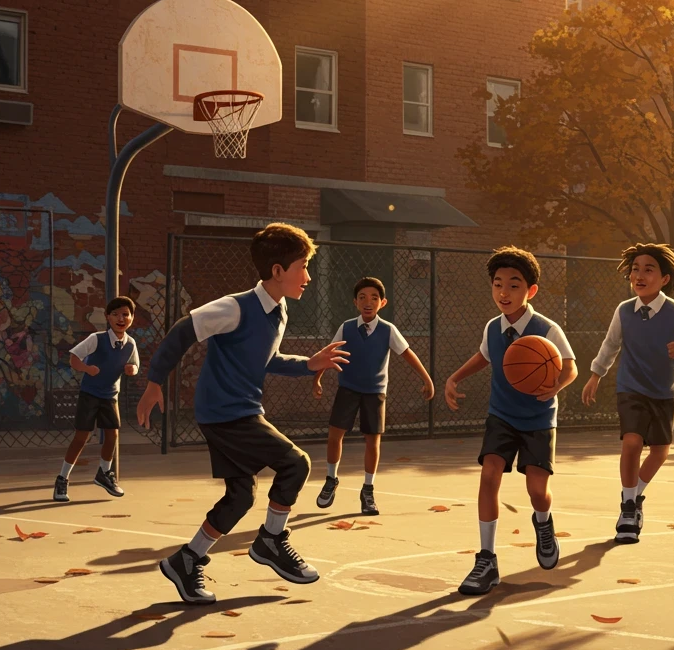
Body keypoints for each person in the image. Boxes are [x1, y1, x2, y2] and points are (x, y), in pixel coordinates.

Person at [137, 223, 348, 604]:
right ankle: (271, 540)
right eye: (302, 266)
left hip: (236, 410)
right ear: (279, 271)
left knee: (240, 497)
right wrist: (154, 383)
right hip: (225, 413)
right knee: (295, 464)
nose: (309, 276)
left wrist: (309, 364)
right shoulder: (235, 307)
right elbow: (182, 332)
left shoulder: (278, 310)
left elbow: (266, 361)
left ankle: (186, 560)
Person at [444, 246, 577, 595]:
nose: (504, 292)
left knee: (537, 490)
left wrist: (556, 386)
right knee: (489, 475)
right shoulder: (493, 328)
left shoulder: (546, 329)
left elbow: (571, 366)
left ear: (531, 291)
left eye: (514, 285)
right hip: (501, 415)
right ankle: (486, 559)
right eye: (498, 284)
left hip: (538, 418)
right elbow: (483, 357)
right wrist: (454, 378)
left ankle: (544, 524)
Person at [581, 243, 674, 544]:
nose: (639, 275)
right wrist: (595, 375)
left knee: (659, 452)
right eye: (635, 269)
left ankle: (634, 496)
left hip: (664, 393)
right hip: (630, 387)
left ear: (664, 278)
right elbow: (610, 345)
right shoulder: (624, 311)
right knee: (631, 441)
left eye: (648, 269)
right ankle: (628, 508)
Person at [314, 276, 433, 515]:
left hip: (375, 392)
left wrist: (427, 379)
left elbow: (408, 354)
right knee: (335, 434)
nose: (368, 302)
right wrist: (317, 379)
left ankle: (367, 490)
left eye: (374, 298)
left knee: (372, 440)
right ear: (355, 302)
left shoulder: (388, 330)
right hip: (347, 388)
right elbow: (329, 354)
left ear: (383, 302)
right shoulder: (346, 327)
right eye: (362, 297)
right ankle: (331, 479)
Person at [53, 295, 139, 503]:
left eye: (125, 315)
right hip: (90, 394)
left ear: (131, 318)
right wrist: (87, 369)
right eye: (116, 314)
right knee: (82, 437)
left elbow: (135, 365)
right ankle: (62, 478)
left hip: (110, 396)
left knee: (112, 436)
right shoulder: (97, 339)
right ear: (108, 317)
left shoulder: (130, 344)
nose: (121, 318)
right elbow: (74, 358)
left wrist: (131, 370)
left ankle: (104, 473)